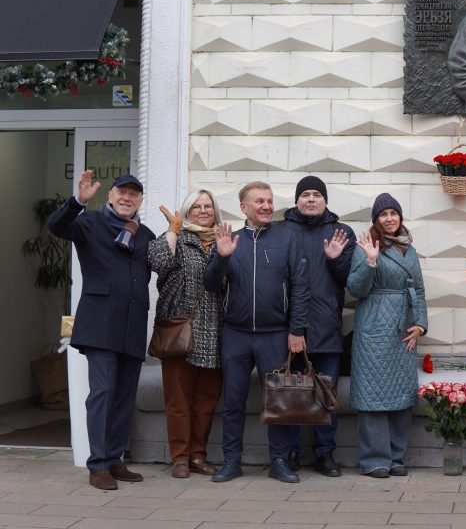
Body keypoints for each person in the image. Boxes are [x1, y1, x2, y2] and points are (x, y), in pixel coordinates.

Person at [48, 170, 155, 490]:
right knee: (103, 393)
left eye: (134, 194)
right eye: (121, 192)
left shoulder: (145, 234)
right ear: (109, 196)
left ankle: (114, 458)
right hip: (100, 325)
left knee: (124, 397)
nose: (127, 198)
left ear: (140, 201)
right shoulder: (89, 223)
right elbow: (56, 226)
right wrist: (78, 201)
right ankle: (97, 465)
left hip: (133, 325)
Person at [204, 181, 310, 484]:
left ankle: (278, 460)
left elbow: (300, 287)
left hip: (275, 334)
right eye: (259, 201)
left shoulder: (288, 239)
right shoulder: (229, 240)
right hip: (235, 334)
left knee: (278, 400)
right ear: (243, 208)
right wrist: (221, 257)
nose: (266, 206)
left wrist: (296, 329)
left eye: (269, 201)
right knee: (233, 401)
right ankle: (231, 461)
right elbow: (211, 285)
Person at [349, 193, 427, 478]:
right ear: (376, 220)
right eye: (383, 215)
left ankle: (396, 457)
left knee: (401, 395)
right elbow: (355, 290)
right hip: (373, 327)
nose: (389, 219)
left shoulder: (410, 249)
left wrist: (420, 325)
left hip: (403, 329)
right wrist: (370, 262)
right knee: (373, 396)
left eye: (394, 213)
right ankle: (374, 460)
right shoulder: (367, 245)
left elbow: (418, 289)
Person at [148, 190, 225, 479]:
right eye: (197, 206)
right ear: (187, 211)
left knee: (206, 402)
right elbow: (158, 262)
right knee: (178, 401)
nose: (203, 210)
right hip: (182, 332)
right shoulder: (178, 239)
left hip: (216, 333)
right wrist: (172, 230)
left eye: (208, 206)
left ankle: (197, 456)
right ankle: (179, 458)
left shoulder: (224, 241)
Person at [281, 176, 354, 477]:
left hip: (326, 327)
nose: (311, 199)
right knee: (294, 394)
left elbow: (352, 279)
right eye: (305, 195)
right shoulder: (281, 230)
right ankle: (293, 452)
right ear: (297, 200)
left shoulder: (341, 232)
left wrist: (336, 260)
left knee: (326, 394)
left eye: (317, 195)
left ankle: (325, 454)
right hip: (288, 329)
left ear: (325, 200)